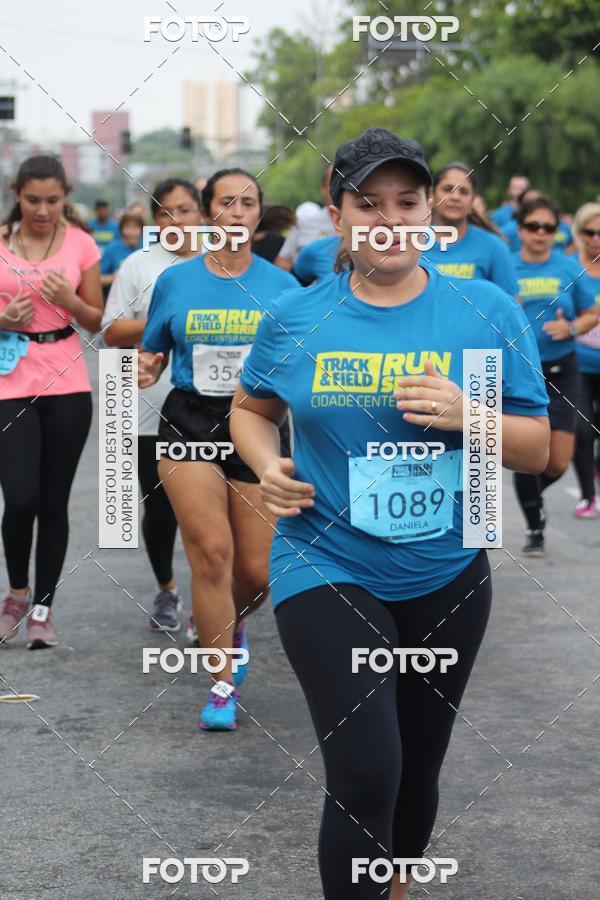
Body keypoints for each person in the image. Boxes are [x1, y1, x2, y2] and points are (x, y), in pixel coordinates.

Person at [230, 127, 550, 900]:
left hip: (448, 572)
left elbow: (541, 450)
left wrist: (469, 411)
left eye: (406, 202)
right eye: (366, 204)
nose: (389, 220)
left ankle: (394, 883)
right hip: (325, 562)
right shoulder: (298, 317)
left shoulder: (484, 310)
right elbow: (250, 407)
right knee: (368, 766)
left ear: (429, 212)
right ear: (336, 215)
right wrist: (266, 463)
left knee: (415, 771)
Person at [139, 168, 297, 731]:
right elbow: (153, 349)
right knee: (210, 553)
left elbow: (302, 365)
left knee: (255, 573)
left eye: (247, 203)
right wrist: (145, 366)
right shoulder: (176, 282)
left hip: (256, 420)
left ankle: (228, 623)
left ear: (258, 215)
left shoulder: (285, 288)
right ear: (208, 216)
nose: (235, 212)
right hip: (189, 418)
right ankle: (221, 684)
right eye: (225, 203)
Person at [0, 155, 103, 648]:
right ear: (17, 194)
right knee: (19, 497)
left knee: (53, 502)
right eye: (33, 199)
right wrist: (4, 320)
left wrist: (71, 299)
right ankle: (16, 594)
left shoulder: (82, 244)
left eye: (52, 200)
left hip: (67, 384)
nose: (42, 210)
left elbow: (97, 319)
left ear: (65, 197)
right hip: (10, 382)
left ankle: (44, 608)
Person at [103, 178, 205, 629]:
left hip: (215, 409)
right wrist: (162, 322)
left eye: (184, 210)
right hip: (150, 407)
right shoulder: (137, 266)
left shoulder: (220, 263)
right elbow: (111, 332)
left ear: (201, 215)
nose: (175, 221)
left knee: (214, 510)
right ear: (153, 220)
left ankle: (217, 596)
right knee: (159, 507)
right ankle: (167, 591)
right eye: (165, 213)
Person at [512, 196, 598, 555]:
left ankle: (529, 490)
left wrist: (573, 328)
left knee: (558, 461)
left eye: (549, 228)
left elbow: (592, 312)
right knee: (525, 453)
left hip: (563, 368)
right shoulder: (507, 267)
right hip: (520, 371)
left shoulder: (567, 268)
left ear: (557, 233)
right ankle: (535, 526)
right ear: (521, 230)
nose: (541, 234)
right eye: (534, 226)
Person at [426, 163, 519, 296]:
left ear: (472, 200)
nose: (455, 197)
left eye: (463, 192)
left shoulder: (493, 247)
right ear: (432, 195)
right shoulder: (412, 243)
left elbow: (512, 306)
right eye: (448, 189)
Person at [571, 202, 600, 517]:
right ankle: (588, 496)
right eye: (589, 232)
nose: (595, 239)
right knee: (582, 429)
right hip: (577, 362)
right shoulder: (569, 268)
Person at [275, 165, 336, 271]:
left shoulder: (365, 224)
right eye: (333, 182)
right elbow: (282, 261)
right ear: (323, 188)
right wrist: (299, 271)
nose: (339, 187)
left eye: (345, 181)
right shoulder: (304, 221)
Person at [502, 188, 574, 254]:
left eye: (548, 228)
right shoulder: (508, 229)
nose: (541, 232)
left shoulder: (562, 226)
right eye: (532, 226)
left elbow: (574, 242)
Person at [100, 211, 144, 291]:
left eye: (135, 227)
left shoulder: (147, 248)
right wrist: (113, 278)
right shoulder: (112, 249)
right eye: (127, 227)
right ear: (121, 229)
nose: (131, 232)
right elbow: (97, 279)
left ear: (142, 230)